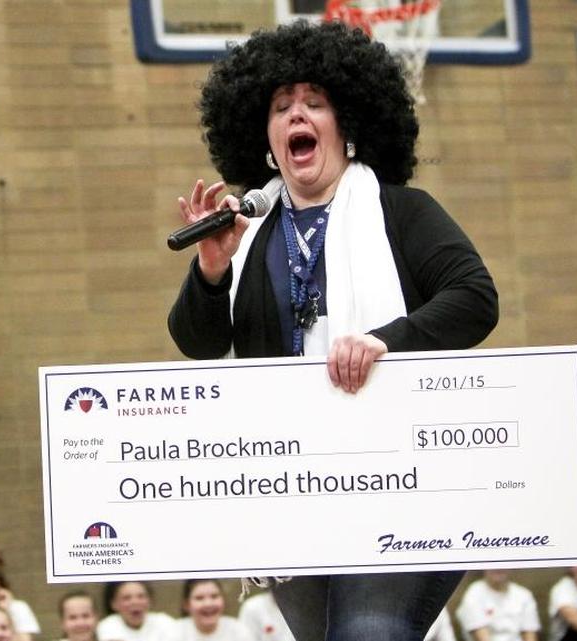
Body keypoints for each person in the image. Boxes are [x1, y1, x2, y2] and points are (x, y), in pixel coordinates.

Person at [167, 19, 497, 641]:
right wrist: (212, 268)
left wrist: (386, 341)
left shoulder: (403, 211)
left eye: (315, 102)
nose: (298, 113)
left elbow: (475, 299)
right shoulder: (245, 233)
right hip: (291, 487)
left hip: (402, 474)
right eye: (281, 106)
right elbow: (199, 343)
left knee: (368, 631)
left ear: (346, 126)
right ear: (266, 138)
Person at [456, 570, 540, 641]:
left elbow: (530, 635)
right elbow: (481, 638)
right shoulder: (474, 593)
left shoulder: (524, 594)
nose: (498, 568)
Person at [175, 580, 253, 641]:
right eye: (199, 598)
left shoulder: (239, 632)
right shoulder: (174, 633)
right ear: (186, 604)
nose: (208, 604)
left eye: (214, 596)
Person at [97, 582, 176, 641]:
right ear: (114, 604)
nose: (135, 602)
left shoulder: (165, 622)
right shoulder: (108, 625)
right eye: (126, 598)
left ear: (150, 601)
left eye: (141, 596)